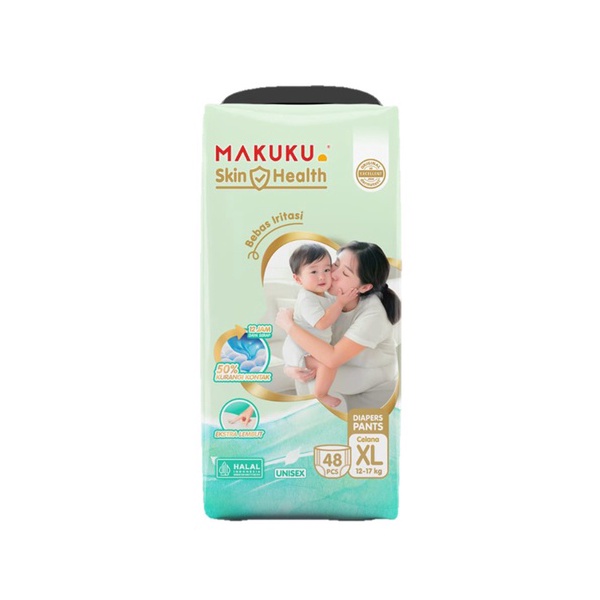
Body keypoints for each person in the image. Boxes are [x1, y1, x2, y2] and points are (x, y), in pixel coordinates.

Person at [276, 241, 401, 411]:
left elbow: (331, 358)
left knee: (317, 378)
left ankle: (323, 416)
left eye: (345, 273)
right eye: (335, 265)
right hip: (342, 364)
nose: (331, 275)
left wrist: (289, 326)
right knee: (309, 375)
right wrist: (290, 368)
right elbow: (306, 335)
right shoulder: (330, 296)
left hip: (373, 374)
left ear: (364, 287)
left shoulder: (374, 314)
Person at [281, 243, 358, 408]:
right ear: (298, 279)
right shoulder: (307, 299)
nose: (322, 277)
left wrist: (343, 300)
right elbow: (322, 323)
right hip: (300, 349)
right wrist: (340, 303)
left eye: (326, 270)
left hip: (312, 347)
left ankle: (310, 397)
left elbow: (337, 310)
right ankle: (321, 394)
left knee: (327, 363)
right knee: (327, 364)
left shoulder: (324, 296)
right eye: (314, 272)